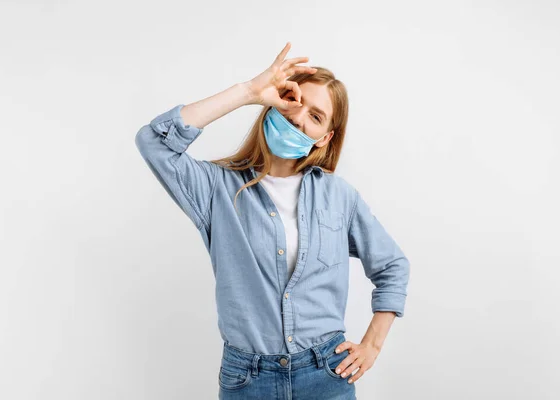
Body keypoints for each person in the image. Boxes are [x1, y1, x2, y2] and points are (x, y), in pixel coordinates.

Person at [134, 42, 410, 400]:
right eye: (295, 103)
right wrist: (249, 92)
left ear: (324, 138)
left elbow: (392, 265)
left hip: (326, 373)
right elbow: (154, 142)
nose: (299, 117)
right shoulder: (217, 188)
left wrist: (372, 345)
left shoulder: (339, 197)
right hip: (247, 380)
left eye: (316, 116)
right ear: (277, 102)